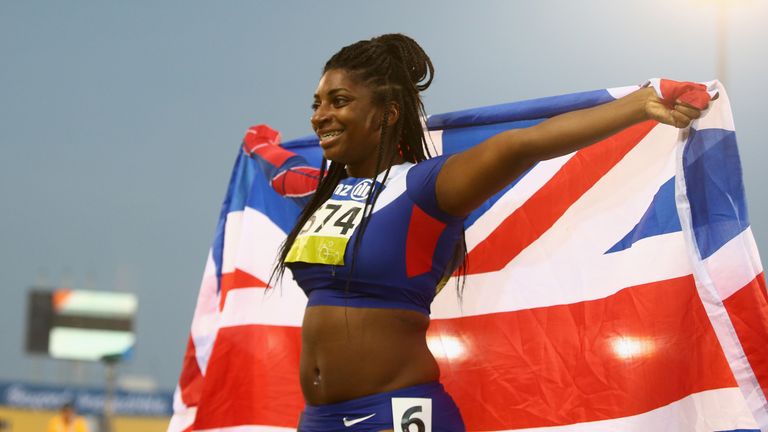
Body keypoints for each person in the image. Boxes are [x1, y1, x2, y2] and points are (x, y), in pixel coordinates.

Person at [243, 34, 711, 432]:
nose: (319, 115)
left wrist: (641, 104)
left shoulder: (425, 186)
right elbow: (284, 172)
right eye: (317, 103)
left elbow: (521, 145)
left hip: (396, 412)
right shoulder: (322, 192)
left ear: (387, 114)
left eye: (339, 101)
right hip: (319, 419)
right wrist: (262, 146)